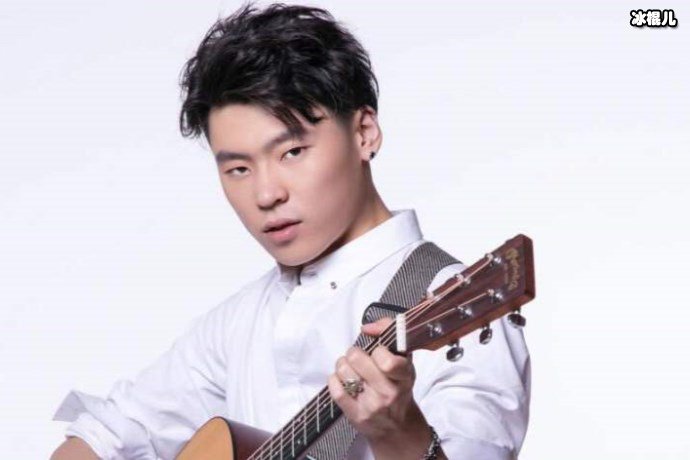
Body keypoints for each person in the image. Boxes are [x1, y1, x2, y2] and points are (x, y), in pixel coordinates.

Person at [50, 3, 530, 459]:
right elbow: (107, 435)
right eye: (238, 169)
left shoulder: (457, 306)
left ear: (364, 132)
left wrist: (400, 435)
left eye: (292, 152)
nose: (265, 194)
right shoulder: (234, 326)